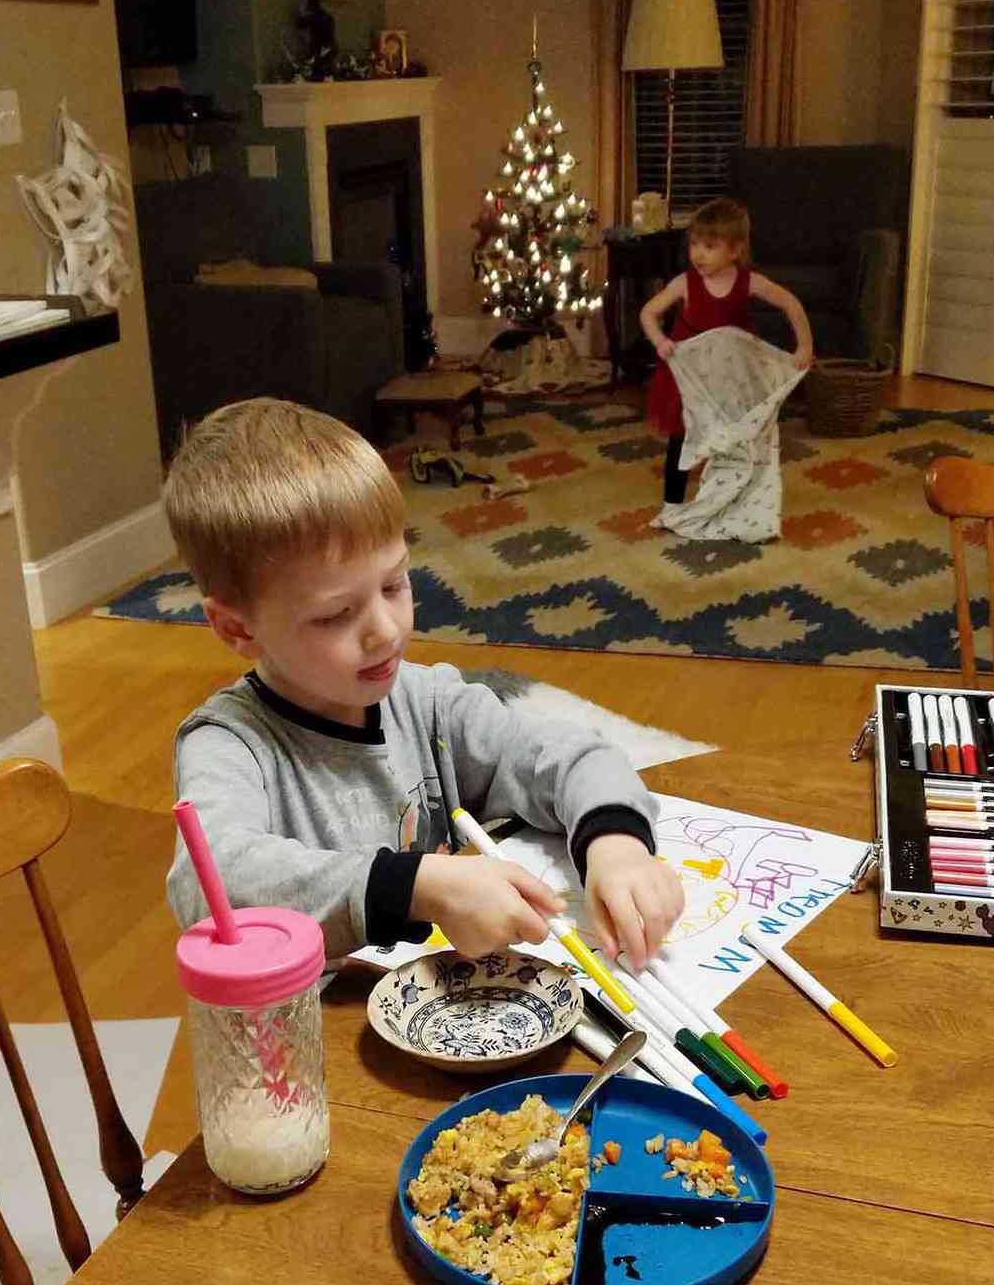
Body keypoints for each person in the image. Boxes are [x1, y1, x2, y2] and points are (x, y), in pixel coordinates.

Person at [163, 399, 685, 970]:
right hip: (323, 1034)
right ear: (238, 627)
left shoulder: (426, 702)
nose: (385, 630)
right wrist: (418, 885)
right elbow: (208, 884)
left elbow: (571, 755)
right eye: (336, 615)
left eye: (394, 584)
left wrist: (617, 845)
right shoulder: (228, 743)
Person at [640, 197, 813, 526]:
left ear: (734, 250)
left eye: (709, 246)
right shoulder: (685, 283)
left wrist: (804, 345)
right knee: (682, 438)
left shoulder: (748, 282)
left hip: (730, 375)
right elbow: (648, 312)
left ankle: (733, 495)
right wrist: (660, 340)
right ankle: (672, 504)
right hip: (690, 375)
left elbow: (790, 303)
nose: (698, 254)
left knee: (733, 437)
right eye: (694, 245)